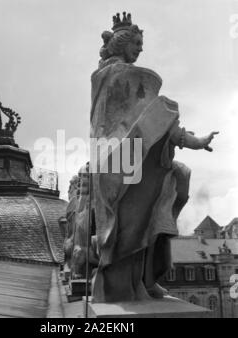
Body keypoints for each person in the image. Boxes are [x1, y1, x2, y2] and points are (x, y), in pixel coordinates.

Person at [90, 12, 218, 302]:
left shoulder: (117, 76)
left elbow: (150, 120)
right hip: (122, 162)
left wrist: (186, 137)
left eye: (141, 43)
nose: (140, 49)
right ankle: (128, 285)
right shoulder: (117, 76)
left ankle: (145, 279)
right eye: (136, 42)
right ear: (122, 43)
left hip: (136, 157)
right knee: (133, 226)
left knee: (176, 178)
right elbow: (144, 118)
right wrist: (179, 129)